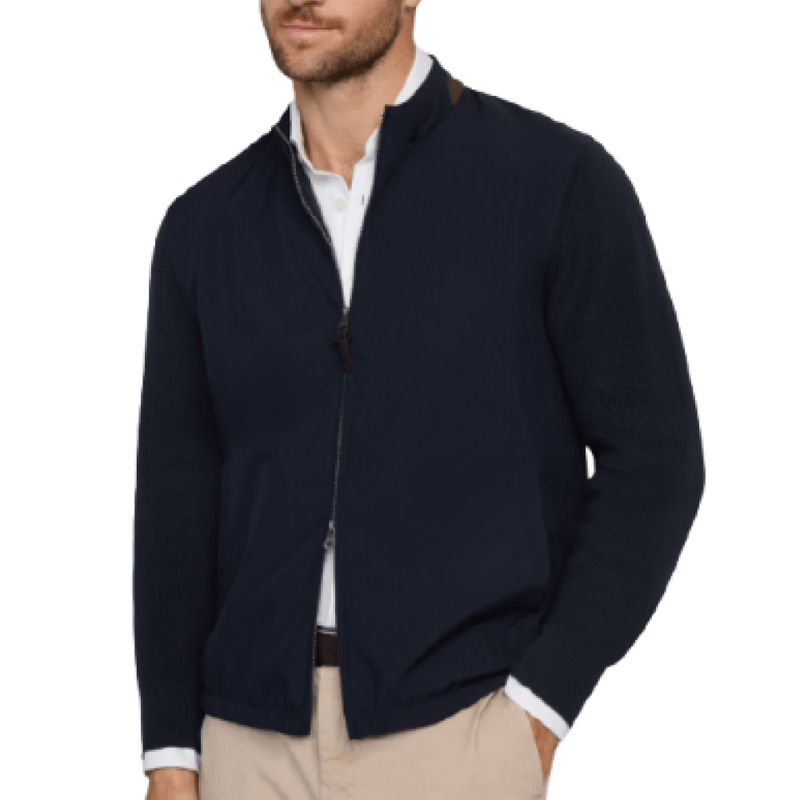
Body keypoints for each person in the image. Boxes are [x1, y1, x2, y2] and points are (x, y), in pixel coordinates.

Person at [133, 1, 706, 798]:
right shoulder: (205, 226)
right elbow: (177, 496)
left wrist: (540, 705)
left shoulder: (551, 181)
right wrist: (170, 751)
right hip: (244, 743)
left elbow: (655, 459)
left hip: (458, 731)